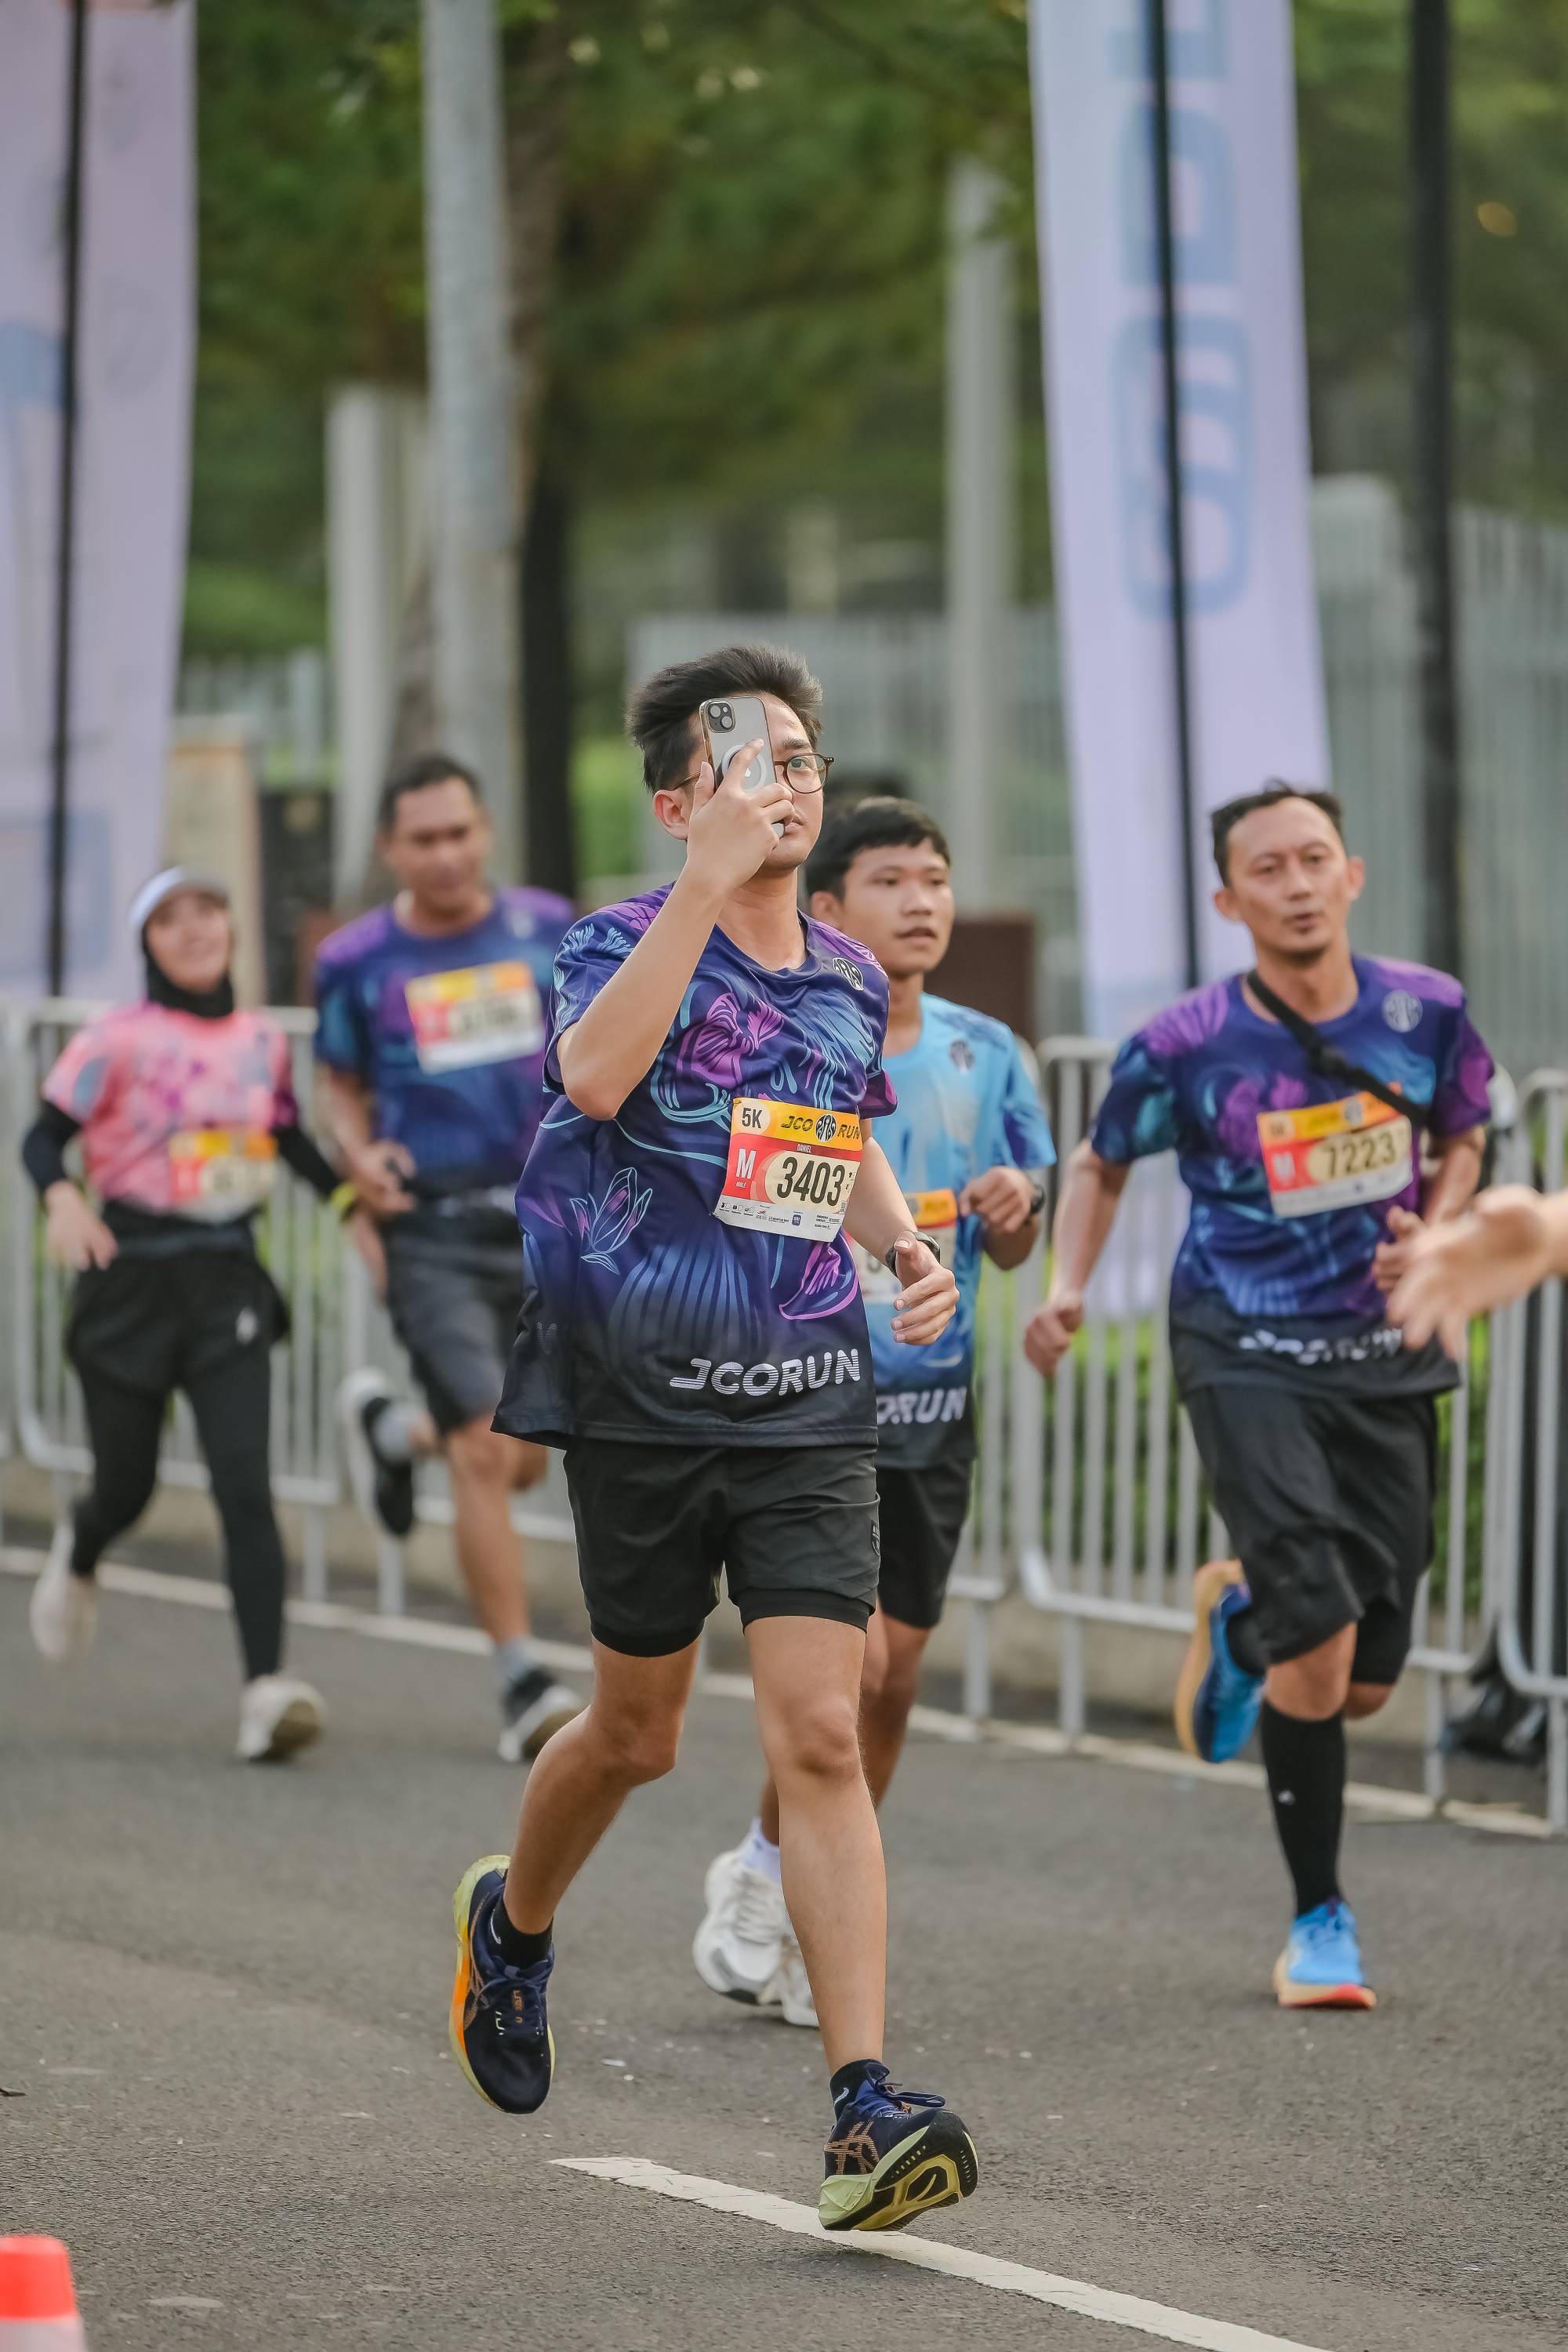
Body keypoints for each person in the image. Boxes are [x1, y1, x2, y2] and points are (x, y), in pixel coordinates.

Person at [448, 645, 981, 2235]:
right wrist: (701, 890)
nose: (786, 787)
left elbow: (830, 1133)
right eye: (749, 766)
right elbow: (596, 1076)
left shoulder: (842, 975)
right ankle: (513, 1927)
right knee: (639, 1733)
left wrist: (901, 1244)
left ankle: (862, 2108)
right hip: (641, 1393)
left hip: (810, 1393)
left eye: (802, 761)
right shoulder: (617, 942)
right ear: (682, 804)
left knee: (821, 1732)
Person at [1024, 786, 1494, 2009]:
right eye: (1267, 869)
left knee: (1367, 1676)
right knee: (1322, 1640)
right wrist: (1068, 1287)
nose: (1295, 883)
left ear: (1352, 875)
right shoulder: (1186, 1041)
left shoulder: (1425, 1011)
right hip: (1241, 1346)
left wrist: (1440, 1232)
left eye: (1313, 859)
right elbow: (1102, 1162)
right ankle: (1318, 1920)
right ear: (1229, 901)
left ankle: (1240, 1624)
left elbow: (1464, 1134)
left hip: (1386, 1347)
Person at [694, 797, 1054, 2028]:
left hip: (934, 1407)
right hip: (812, 1399)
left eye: (936, 880)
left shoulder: (990, 1053)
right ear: (831, 907)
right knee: (865, 1671)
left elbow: (1017, 1242)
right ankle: (788, 1900)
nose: (922, 902)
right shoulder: (797, 1033)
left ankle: (777, 1877)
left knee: (892, 1690)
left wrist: (1015, 1213)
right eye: (893, 880)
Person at [21, 869, 343, 1762]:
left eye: (208, 911)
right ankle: (83, 1548)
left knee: (245, 1481)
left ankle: (265, 1690)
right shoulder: (115, 1038)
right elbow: (42, 1136)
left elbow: (287, 1139)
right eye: (171, 919)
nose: (195, 929)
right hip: (127, 1275)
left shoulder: (261, 1042)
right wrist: (62, 1199)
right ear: (148, 944)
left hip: (226, 1280)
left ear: (231, 927)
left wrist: (357, 1208)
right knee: (125, 1487)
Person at [313, 753, 581, 1762]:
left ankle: (395, 1433)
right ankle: (520, 1680)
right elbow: (337, 1080)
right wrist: (357, 1157)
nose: (445, 854)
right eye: (423, 839)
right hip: (428, 1229)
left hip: (545, 1221)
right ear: (390, 847)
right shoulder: (354, 960)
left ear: (486, 831)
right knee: (481, 1443)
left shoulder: (549, 930)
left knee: (518, 1458)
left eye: (459, 832)